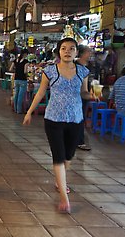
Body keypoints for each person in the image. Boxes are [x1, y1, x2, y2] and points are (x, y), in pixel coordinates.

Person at [22, 37, 95, 214]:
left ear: (76, 52)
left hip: (75, 119)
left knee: (68, 156)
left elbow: (83, 92)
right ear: (59, 52)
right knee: (58, 156)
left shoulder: (82, 72)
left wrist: (92, 96)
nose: (67, 51)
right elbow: (40, 92)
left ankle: (59, 181)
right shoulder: (50, 71)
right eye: (64, 48)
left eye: (71, 48)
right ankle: (64, 198)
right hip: (53, 119)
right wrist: (29, 111)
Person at [76, 44, 94, 151]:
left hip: (85, 95)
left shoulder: (89, 66)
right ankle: (79, 141)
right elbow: (83, 89)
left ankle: (78, 140)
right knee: (78, 119)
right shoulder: (76, 66)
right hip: (78, 97)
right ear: (81, 54)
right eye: (88, 51)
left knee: (80, 118)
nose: (90, 53)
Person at [9, 48, 30, 113]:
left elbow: (10, 69)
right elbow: (25, 71)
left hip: (16, 79)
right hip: (23, 79)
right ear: (25, 54)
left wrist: (16, 71)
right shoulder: (25, 61)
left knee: (16, 95)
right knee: (20, 96)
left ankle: (15, 109)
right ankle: (19, 110)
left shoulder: (16, 60)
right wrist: (28, 75)